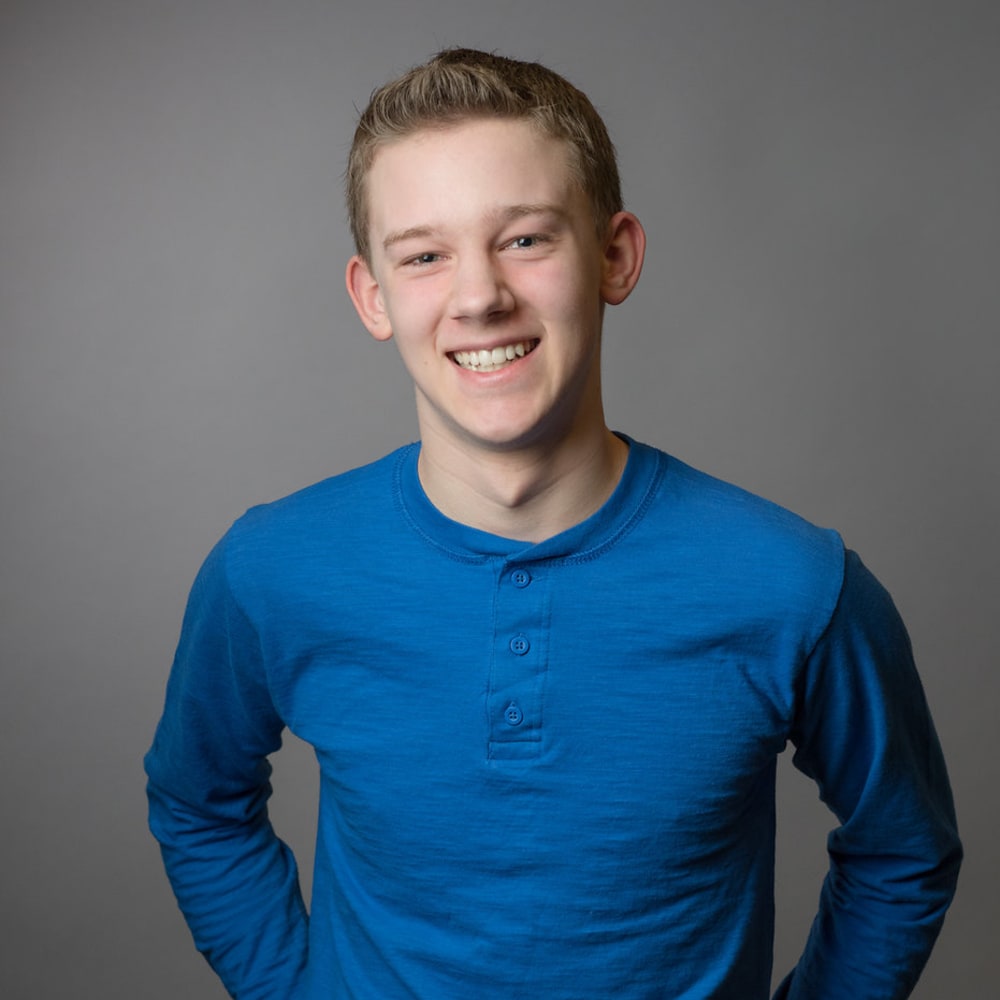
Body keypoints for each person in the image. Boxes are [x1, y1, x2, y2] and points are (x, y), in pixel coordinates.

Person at [145, 47, 961, 999]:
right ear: (373, 297)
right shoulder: (271, 570)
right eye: (423, 255)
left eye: (526, 239)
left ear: (615, 257)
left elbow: (903, 854)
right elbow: (197, 804)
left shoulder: (795, 585)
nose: (479, 295)